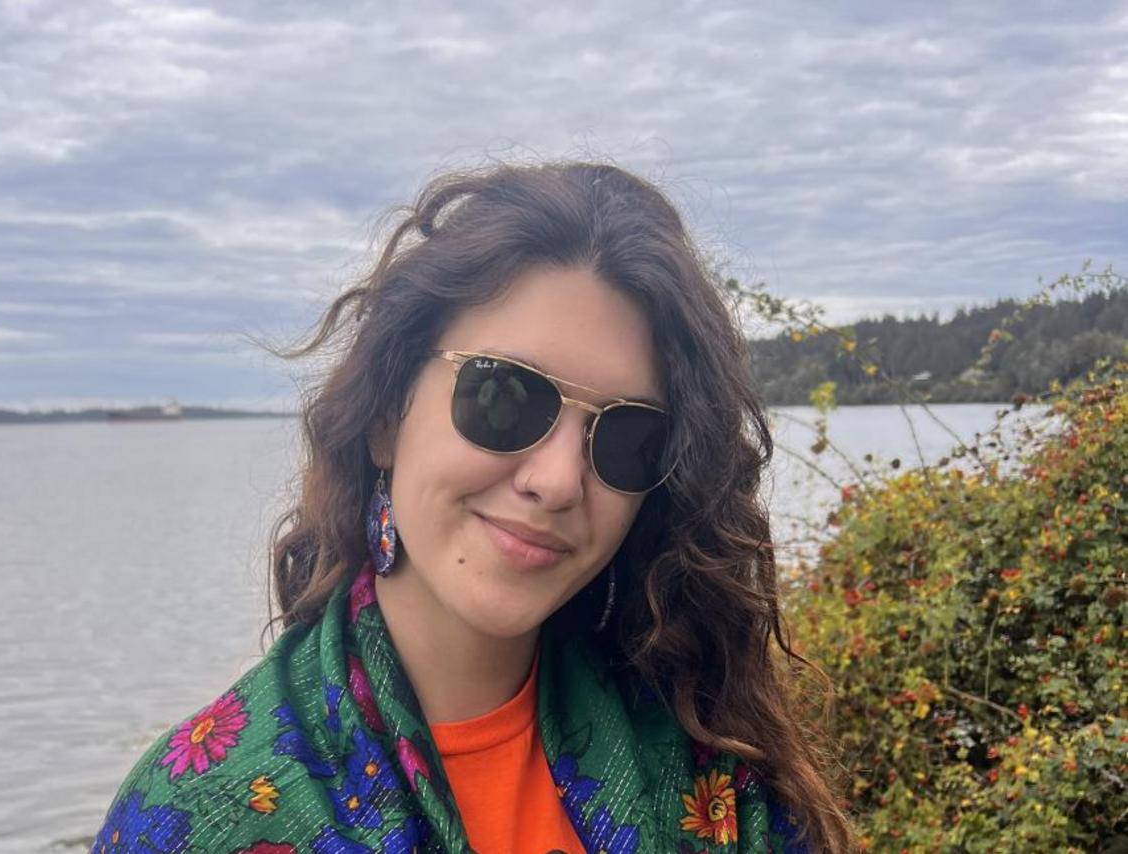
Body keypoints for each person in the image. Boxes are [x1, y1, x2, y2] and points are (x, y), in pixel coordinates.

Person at [92, 162, 854, 853]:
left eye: (627, 437)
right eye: (505, 396)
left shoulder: (705, 741)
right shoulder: (203, 814)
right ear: (389, 415)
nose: (558, 480)